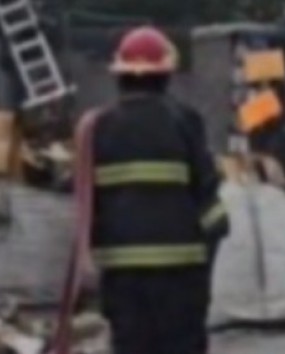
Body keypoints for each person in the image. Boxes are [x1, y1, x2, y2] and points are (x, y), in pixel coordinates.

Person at [83, 26, 228, 354]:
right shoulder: (184, 120)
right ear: (166, 76)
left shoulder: (98, 127)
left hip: (123, 279)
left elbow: (85, 204)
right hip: (180, 277)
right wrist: (206, 261)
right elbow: (210, 204)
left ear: (119, 76)